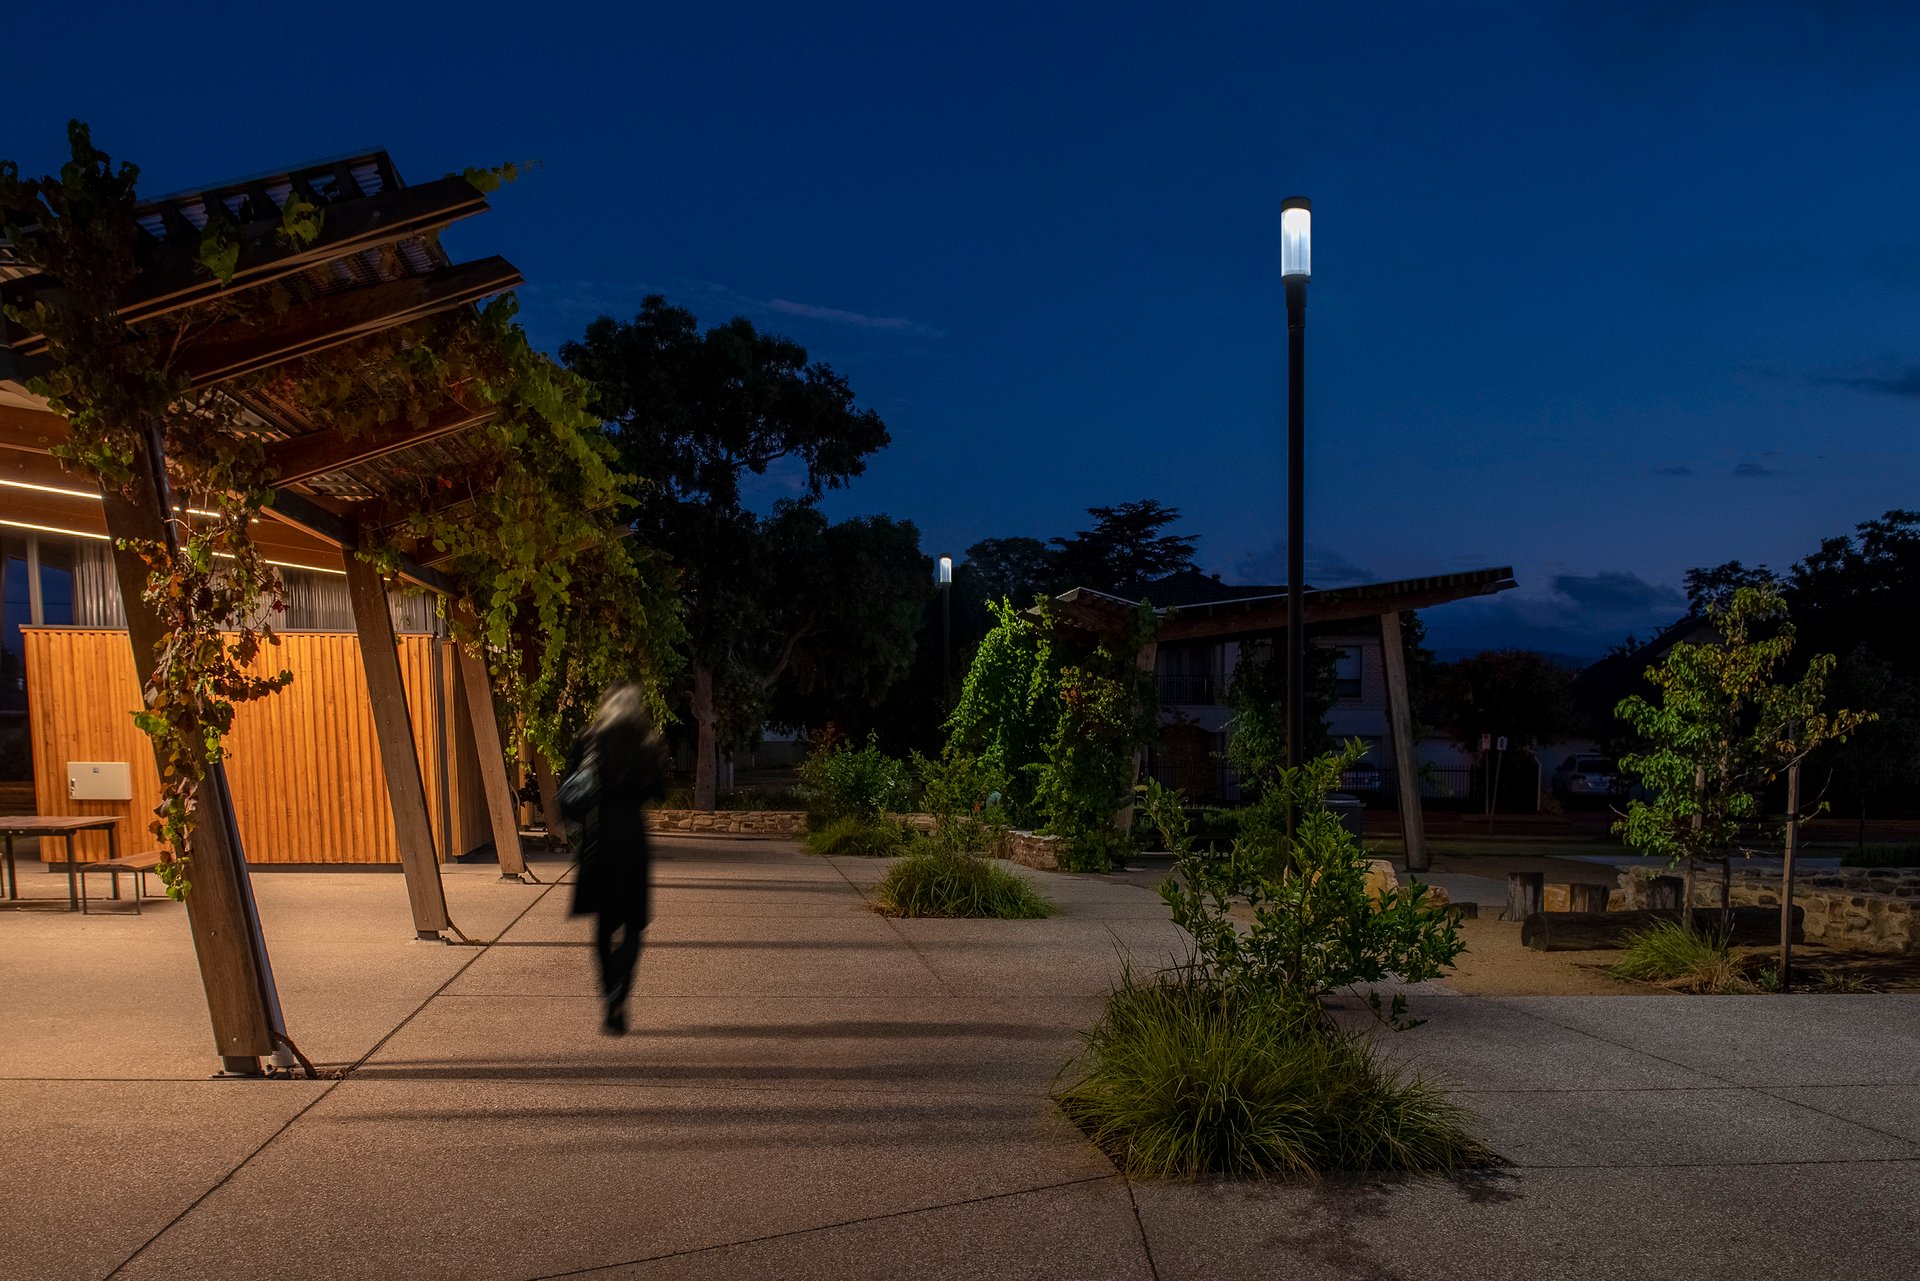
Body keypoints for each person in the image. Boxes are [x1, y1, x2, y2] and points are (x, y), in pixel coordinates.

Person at [562, 683, 667, 1035]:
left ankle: (609, 990)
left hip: (600, 840)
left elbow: (570, 788)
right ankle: (621, 992)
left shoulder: (589, 739)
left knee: (605, 926)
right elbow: (660, 790)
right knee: (634, 924)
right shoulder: (644, 742)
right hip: (632, 840)